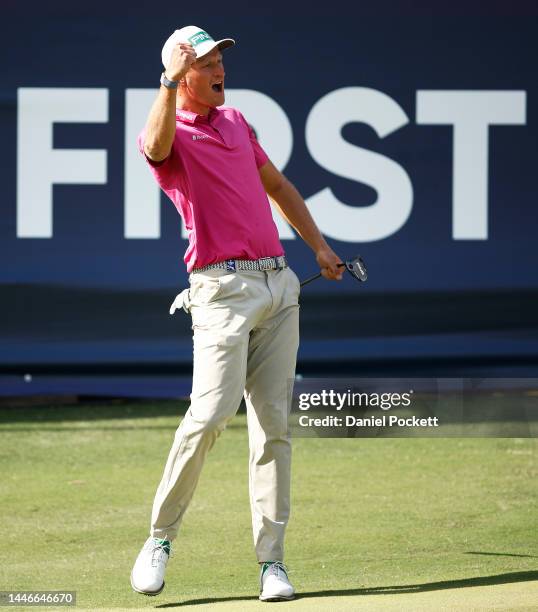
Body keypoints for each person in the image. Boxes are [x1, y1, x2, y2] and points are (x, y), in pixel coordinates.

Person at [130, 25, 343, 602]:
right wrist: (168, 86)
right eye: (206, 61)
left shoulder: (236, 121)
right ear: (181, 72)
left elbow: (277, 185)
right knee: (210, 414)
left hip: (278, 284)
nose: (220, 67)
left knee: (274, 427)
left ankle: (272, 563)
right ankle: (159, 539)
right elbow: (152, 148)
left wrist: (319, 245)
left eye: (220, 56)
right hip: (220, 293)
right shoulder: (171, 131)